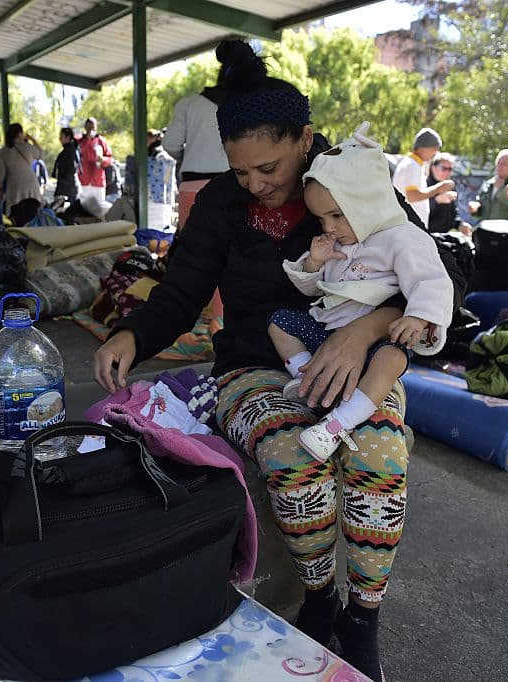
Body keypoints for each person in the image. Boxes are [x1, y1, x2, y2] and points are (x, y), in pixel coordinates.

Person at [92, 41, 465, 682]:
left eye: (268, 167)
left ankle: (363, 617)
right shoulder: (222, 204)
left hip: (363, 361)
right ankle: (319, 597)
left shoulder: (351, 180)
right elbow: (181, 291)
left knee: (380, 451)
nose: (256, 185)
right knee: (293, 452)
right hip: (254, 364)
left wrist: (367, 330)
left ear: (306, 140)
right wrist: (131, 334)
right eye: (241, 173)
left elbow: (441, 271)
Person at [269, 123, 453, 460]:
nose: (329, 227)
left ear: (367, 200)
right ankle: (308, 379)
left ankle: (338, 424)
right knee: (280, 323)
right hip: (326, 334)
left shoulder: (403, 238)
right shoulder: (339, 241)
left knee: (392, 359)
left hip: (374, 343)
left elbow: (432, 282)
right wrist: (314, 262)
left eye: (337, 215)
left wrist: (417, 318)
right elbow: (311, 290)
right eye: (321, 219)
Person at [164, 38, 249, 228]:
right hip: (237, 185)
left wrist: (191, 154)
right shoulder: (251, 105)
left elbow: (170, 144)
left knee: (191, 242)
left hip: (194, 183)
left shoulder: (189, 104)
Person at [392, 127, 454, 229]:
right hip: (410, 225)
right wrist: (439, 188)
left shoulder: (413, 164)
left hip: (410, 224)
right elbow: (412, 196)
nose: (436, 153)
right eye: (434, 149)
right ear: (424, 148)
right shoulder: (412, 166)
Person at [0, 123, 43, 226]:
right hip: (31, 185)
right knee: (32, 217)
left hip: (14, 187)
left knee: (17, 218)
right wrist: (32, 139)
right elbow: (40, 153)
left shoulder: (3, 151)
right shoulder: (27, 147)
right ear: (19, 134)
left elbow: (0, 173)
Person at [468, 148, 508, 223]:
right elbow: (480, 208)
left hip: (504, 229)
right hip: (484, 227)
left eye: (504, 164)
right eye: (499, 163)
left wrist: (503, 190)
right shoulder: (488, 184)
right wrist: (475, 208)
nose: (500, 166)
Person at [77, 117, 112, 203]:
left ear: (96, 127)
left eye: (92, 127)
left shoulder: (101, 141)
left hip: (98, 181)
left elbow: (110, 159)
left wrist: (103, 160)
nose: (90, 129)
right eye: (88, 127)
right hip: (83, 181)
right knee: (83, 207)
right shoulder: (79, 141)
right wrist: (88, 140)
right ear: (85, 127)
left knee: (99, 206)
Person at [426, 152, 460, 234]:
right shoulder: (424, 185)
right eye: (444, 168)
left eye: (450, 169)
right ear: (433, 168)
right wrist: (436, 201)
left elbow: (453, 213)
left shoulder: (449, 186)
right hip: (426, 234)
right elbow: (417, 212)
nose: (447, 172)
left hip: (444, 235)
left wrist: (459, 224)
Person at [52, 127, 81, 204]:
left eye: (62, 136)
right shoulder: (68, 150)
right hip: (66, 187)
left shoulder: (70, 151)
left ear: (68, 137)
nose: (60, 139)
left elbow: (71, 169)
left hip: (67, 188)